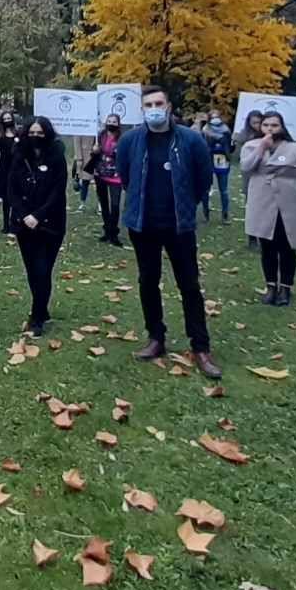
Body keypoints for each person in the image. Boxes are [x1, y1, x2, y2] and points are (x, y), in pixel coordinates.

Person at [116, 86, 221, 378]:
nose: (154, 108)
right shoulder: (131, 141)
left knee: (189, 285)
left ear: (169, 105)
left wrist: (187, 205)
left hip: (179, 226)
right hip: (143, 225)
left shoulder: (190, 140)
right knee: (148, 281)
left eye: (158, 102)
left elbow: (203, 179)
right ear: (142, 109)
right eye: (148, 104)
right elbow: (126, 177)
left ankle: (200, 346)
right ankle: (156, 338)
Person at [240, 111, 296, 306]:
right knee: (267, 245)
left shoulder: (295, 148)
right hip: (262, 200)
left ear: (282, 127)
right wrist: (261, 147)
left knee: (286, 246)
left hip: (288, 201)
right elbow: (246, 168)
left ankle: (285, 288)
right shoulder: (251, 146)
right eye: (266, 125)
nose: (270, 129)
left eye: (274, 125)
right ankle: (270, 287)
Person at [8, 115, 68, 336]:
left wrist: (38, 216)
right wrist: (24, 215)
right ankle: (42, 308)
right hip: (24, 223)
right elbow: (11, 188)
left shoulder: (57, 156)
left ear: (47, 134)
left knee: (43, 270)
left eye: (40, 133)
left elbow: (57, 191)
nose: (35, 137)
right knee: (32, 270)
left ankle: (37, 317)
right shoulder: (19, 154)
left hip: (51, 223)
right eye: (32, 133)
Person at [87, 113, 126, 245]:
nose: (111, 123)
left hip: (116, 176)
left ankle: (114, 233)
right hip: (101, 174)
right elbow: (93, 153)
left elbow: (126, 154)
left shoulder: (123, 137)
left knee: (115, 205)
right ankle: (107, 231)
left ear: (118, 123)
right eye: (109, 121)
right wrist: (94, 150)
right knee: (104, 204)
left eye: (114, 121)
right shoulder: (100, 136)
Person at [233, 109, 266, 248]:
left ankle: (264, 237)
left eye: (259, 122)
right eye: (254, 122)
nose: (257, 125)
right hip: (250, 176)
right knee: (252, 207)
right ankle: (252, 238)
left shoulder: (267, 136)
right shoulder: (244, 136)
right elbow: (238, 158)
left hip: (265, 176)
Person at [0, 110, 20, 234]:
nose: (7, 121)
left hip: (18, 170)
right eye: (5, 119)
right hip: (4, 170)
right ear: (2, 121)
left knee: (17, 198)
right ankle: (6, 225)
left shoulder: (19, 134)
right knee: (6, 199)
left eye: (9, 118)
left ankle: (15, 223)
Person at [201, 113, 233, 224]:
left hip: (222, 160)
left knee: (223, 190)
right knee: (205, 190)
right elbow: (202, 144)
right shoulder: (205, 129)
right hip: (208, 160)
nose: (215, 119)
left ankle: (225, 215)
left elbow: (230, 146)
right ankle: (206, 214)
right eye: (213, 116)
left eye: (217, 116)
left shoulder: (226, 130)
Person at [71, 134, 94, 212]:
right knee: (85, 182)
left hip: (96, 157)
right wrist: (79, 158)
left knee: (99, 183)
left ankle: (100, 205)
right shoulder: (80, 130)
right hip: (85, 158)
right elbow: (77, 144)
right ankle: (82, 203)